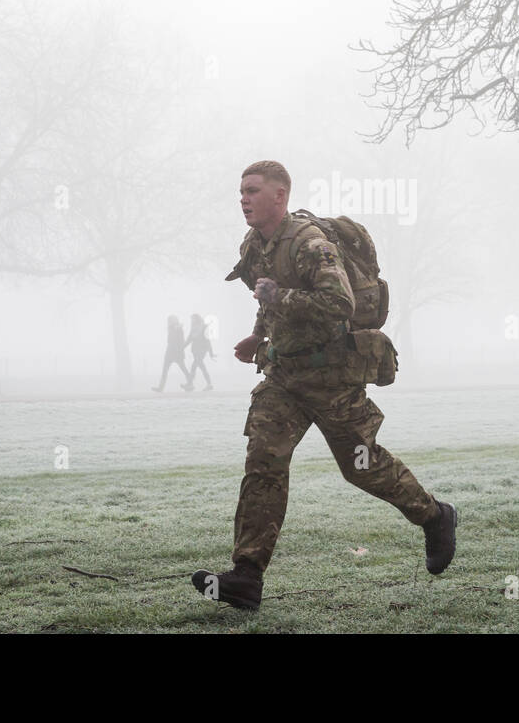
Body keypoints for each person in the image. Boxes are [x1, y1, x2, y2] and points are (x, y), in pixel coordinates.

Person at [190, 160, 456, 610]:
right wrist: (260, 331)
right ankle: (246, 577)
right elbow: (265, 294)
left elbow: (338, 303)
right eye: (241, 191)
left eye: (253, 191)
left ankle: (435, 515)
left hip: (332, 378)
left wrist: (280, 298)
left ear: (280, 196)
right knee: (264, 462)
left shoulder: (311, 244)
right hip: (285, 379)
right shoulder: (254, 246)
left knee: (361, 465)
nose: (244, 199)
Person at [151, 315, 189, 392]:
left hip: (177, 353)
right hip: (169, 353)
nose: (170, 321)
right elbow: (170, 341)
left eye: (172, 320)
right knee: (165, 370)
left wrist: (180, 350)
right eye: (169, 320)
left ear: (176, 320)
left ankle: (190, 384)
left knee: (183, 369)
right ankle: (160, 388)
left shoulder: (178, 329)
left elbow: (181, 341)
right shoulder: (171, 329)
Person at [183, 313, 215, 392]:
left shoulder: (203, 327)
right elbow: (189, 339)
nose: (191, 321)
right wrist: (182, 347)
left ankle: (190, 384)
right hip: (195, 350)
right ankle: (208, 384)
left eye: (193, 319)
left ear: (197, 319)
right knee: (201, 367)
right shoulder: (193, 328)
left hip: (202, 350)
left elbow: (208, 341)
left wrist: (211, 353)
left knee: (194, 366)